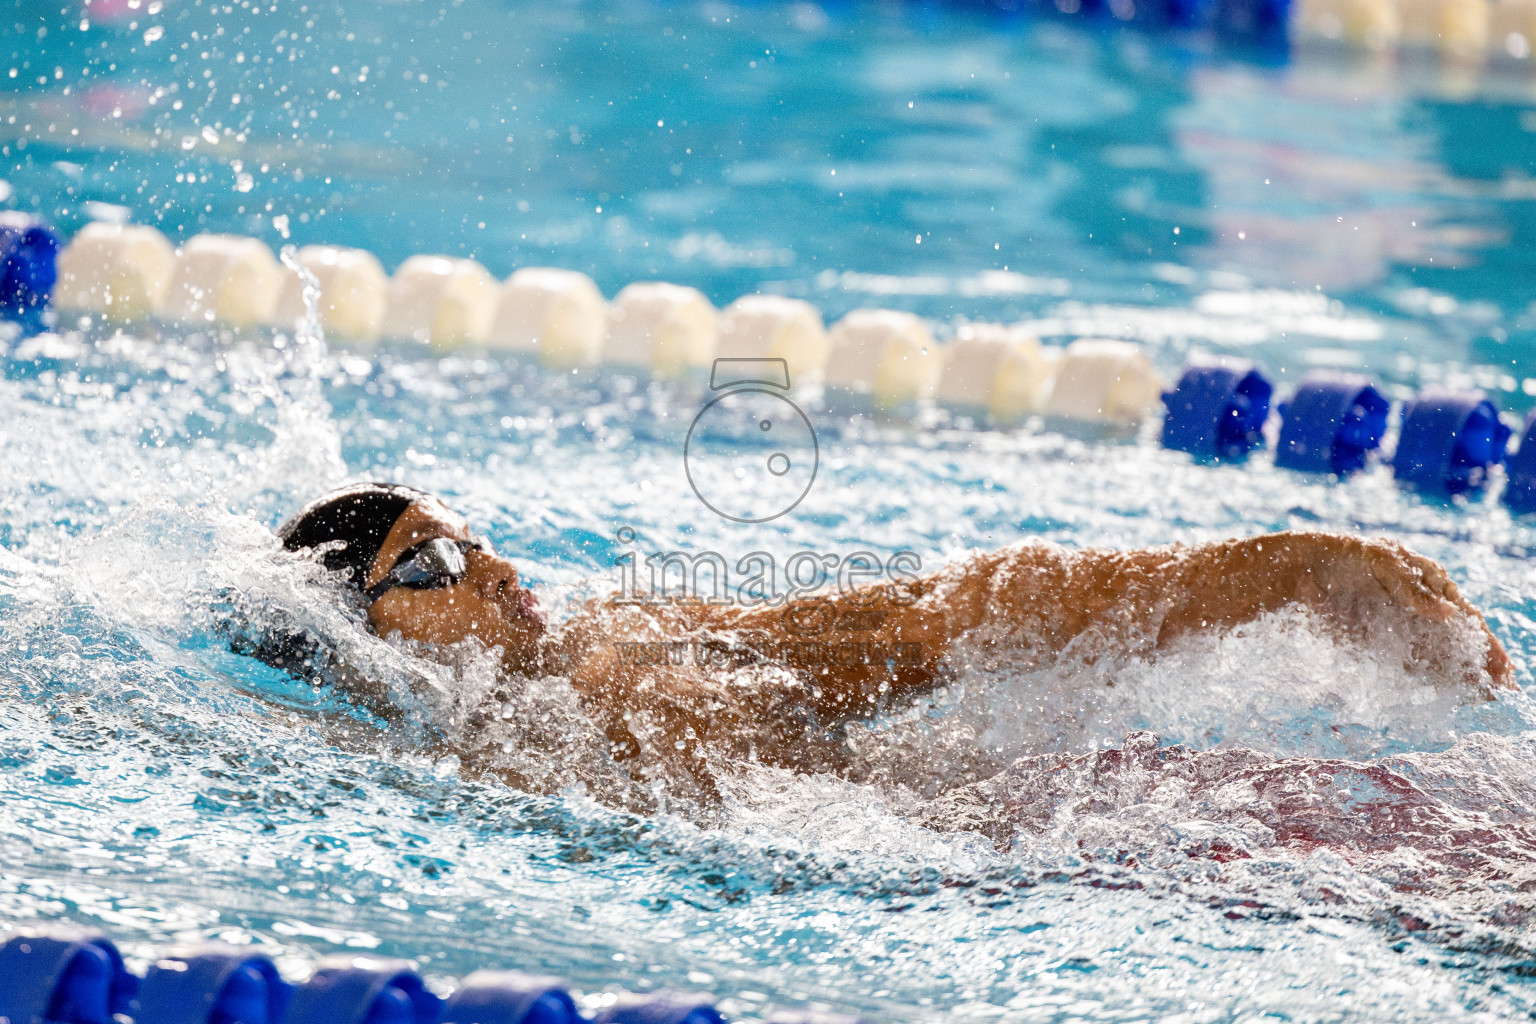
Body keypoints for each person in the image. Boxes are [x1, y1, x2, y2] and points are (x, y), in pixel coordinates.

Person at [247, 482, 1514, 806]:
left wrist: (1279, 569)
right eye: (434, 562)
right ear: (365, 636)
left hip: (1047, 831)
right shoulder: (425, 759)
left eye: (476, 535)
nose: (496, 567)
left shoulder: (628, 651)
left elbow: (936, 624)